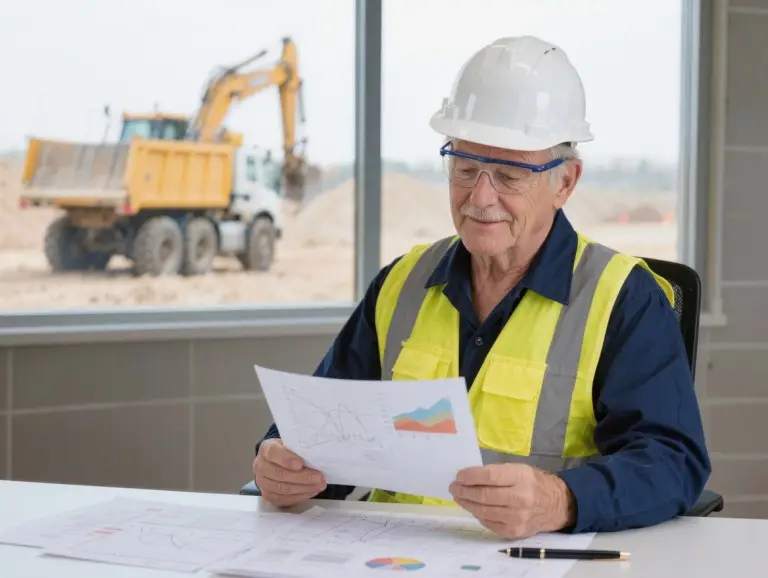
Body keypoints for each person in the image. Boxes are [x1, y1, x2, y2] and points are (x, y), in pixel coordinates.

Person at [252, 35, 711, 539]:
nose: (480, 196)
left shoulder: (624, 299)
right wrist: (282, 461)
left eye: (510, 175)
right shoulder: (402, 283)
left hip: (540, 558)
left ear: (565, 182)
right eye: (466, 168)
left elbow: (673, 462)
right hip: (391, 554)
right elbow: (323, 428)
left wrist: (562, 500)